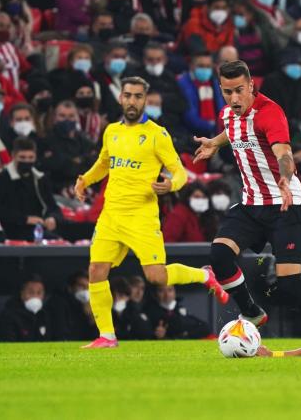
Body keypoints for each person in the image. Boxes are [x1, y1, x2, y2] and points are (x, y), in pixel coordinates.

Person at [193, 60, 301, 356]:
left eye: (239, 91)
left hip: (285, 204)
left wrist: (284, 177)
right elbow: (234, 131)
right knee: (219, 255)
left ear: (251, 86)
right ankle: (252, 312)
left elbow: (283, 153)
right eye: (227, 92)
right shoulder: (228, 114)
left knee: (290, 283)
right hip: (251, 203)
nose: (234, 98)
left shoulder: (270, 113)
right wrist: (215, 143)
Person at [74, 76, 228, 348]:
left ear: (145, 100)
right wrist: (85, 180)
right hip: (111, 215)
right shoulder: (111, 131)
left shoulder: (158, 134)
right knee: (96, 270)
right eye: (128, 95)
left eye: (138, 96)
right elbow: (103, 163)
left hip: (142, 217)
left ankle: (205, 275)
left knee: (155, 276)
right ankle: (107, 336)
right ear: (120, 98)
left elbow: (180, 170)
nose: (132, 101)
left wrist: (170, 184)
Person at [0, 138, 62, 241]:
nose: (27, 161)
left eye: (31, 158)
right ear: (13, 156)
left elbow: (52, 206)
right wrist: (25, 219)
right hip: (12, 231)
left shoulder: (40, 179)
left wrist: (52, 218)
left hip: (39, 228)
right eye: (22, 157)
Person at [0, 275, 52, 342]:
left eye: (39, 293)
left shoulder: (44, 315)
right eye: (31, 292)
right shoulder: (8, 316)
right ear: (21, 294)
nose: (35, 296)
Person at [144, 284, 212, 339]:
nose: (166, 295)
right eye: (161, 291)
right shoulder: (151, 313)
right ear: (155, 294)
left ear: (174, 292)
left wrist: (185, 335)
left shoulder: (180, 309)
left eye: (170, 290)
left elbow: (204, 327)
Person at [47, 270, 99, 341]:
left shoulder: (90, 306)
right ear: (70, 288)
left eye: (88, 287)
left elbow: (95, 338)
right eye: (81, 286)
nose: (85, 290)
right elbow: (61, 334)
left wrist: (91, 318)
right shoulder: (59, 303)